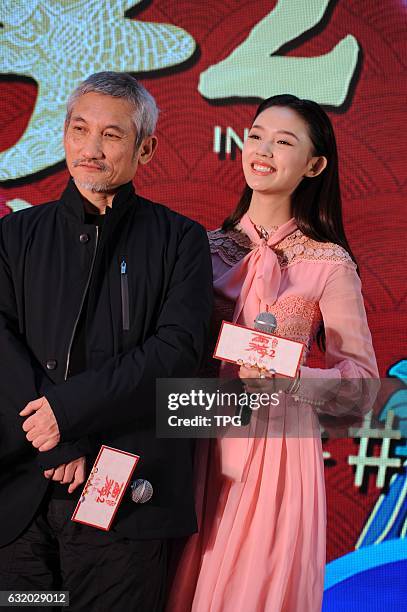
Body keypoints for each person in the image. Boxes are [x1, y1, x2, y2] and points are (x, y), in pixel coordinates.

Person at [0, 71, 213, 611]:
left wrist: (67, 414)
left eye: (112, 135)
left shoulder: (178, 239)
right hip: (21, 490)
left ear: (147, 148)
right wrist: (59, 439)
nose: (90, 149)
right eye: (79, 129)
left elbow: (176, 351)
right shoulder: (13, 235)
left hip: (123, 490)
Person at [167, 95, 379, 612]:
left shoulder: (328, 264)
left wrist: (290, 377)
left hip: (276, 448)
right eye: (257, 135)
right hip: (194, 431)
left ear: (315, 165)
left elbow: (363, 383)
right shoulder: (198, 248)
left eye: (284, 142)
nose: (262, 150)